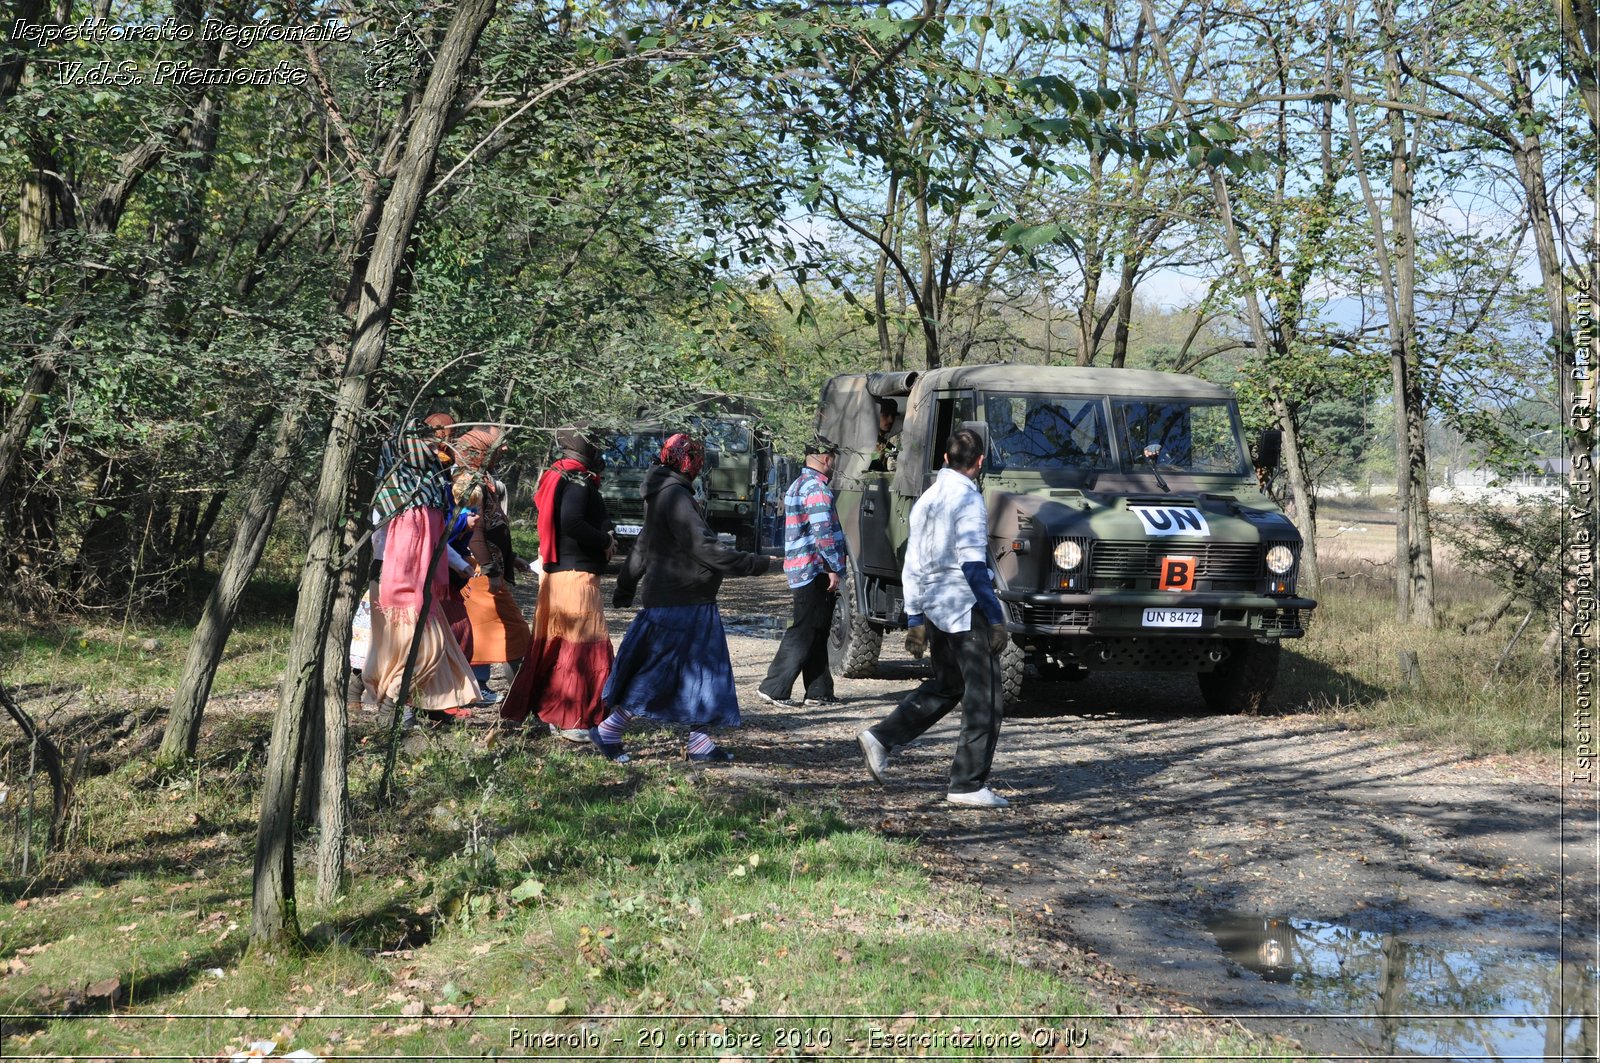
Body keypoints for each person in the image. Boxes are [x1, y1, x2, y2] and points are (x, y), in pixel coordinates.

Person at [856, 428, 1011, 808]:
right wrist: (994, 618)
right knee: (986, 699)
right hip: (965, 608)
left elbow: (912, 562)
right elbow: (974, 566)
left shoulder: (927, 499)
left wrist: (914, 618)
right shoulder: (969, 501)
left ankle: (881, 738)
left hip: (935, 608)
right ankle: (968, 785)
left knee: (947, 686)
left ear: (944, 458)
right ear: (979, 463)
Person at [594, 433, 771, 763]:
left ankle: (700, 742)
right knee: (659, 672)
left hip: (686, 599)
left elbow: (645, 546)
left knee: (704, 671)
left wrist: (625, 586)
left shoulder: (664, 494)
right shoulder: (675, 496)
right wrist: (755, 563)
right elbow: (703, 547)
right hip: (681, 602)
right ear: (692, 463)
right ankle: (609, 729)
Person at [362, 419, 481, 722]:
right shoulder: (397, 492)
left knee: (422, 647)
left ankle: (424, 707)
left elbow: (436, 540)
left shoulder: (430, 488)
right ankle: (391, 706)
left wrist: (461, 565)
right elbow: (384, 538)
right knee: (418, 648)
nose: (442, 447)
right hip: (397, 583)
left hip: (418, 583)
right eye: (443, 436)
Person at [500, 426, 615, 736]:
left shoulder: (560, 475)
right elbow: (572, 521)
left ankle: (554, 711)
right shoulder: (575, 480)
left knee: (559, 644)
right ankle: (570, 716)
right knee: (578, 649)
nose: (598, 454)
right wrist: (604, 540)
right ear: (584, 450)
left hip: (559, 573)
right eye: (594, 447)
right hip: (572, 575)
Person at [756, 437, 846, 709]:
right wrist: (832, 567)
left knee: (817, 630)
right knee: (805, 630)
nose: (833, 463)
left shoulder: (798, 484)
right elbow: (823, 533)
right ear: (826, 458)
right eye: (833, 457)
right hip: (813, 569)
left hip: (802, 567)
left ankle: (819, 691)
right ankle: (774, 687)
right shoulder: (817, 489)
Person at [452, 427, 532, 701]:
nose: (502, 453)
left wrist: (511, 558)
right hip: (476, 570)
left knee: (483, 629)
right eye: (495, 449)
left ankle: (482, 687)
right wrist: (490, 569)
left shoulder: (482, 480)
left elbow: (494, 526)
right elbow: (475, 533)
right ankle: (518, 695)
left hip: (484, 568)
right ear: (478, 452)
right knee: (513, 629)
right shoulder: (468, 483)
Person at [868, 397, 900, 472]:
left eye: (893, 416)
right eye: (885, 414)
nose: (891, 420)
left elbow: (895, 451)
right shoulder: (866, 441)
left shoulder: (887, 444)